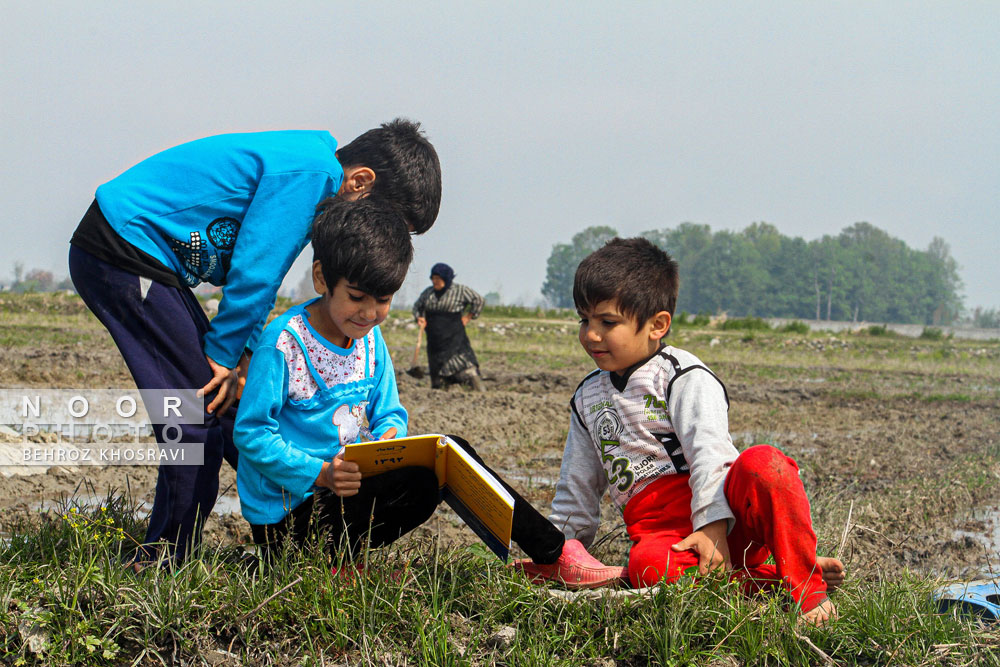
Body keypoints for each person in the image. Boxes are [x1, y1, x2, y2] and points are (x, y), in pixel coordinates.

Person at [68, 119, 442, 563]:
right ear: (361, 182)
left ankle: (292, 524)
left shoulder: (315, 167)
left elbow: (261, 276)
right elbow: (257, 272)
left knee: (224, 403)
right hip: (122, 248)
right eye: (388, 220)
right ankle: (164, 556)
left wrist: (242, 355)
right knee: (194, 405)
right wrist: (226, 355)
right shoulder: (311, 176)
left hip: (150, 261)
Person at [234, 201, 625, 588]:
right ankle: (321, 563)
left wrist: (389, 440)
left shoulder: (369, 340)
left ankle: (552, 554)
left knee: (444, 459)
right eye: (357, 298)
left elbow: (389, 412)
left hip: (345, 495)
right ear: (321, 279)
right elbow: (251, 434)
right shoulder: (284, 344)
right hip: (288, 523)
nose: (370, 314)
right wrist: (321, 473)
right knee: (431, 469)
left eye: (383, 301)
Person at [516, 237, 845, 625]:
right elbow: (577, 487)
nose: (591, 334)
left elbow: (711, 452)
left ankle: (806, 588)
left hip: (728, 518)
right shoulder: (587, 397)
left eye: (607, 322)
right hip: (666, 537)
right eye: (584, 320)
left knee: (765, 464)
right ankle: (773, 576)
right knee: (646, 565)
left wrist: (712, 529)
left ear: (657, 325)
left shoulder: (682, 376)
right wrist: (557, 553)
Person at [412, 263, 485, 390]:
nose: (435, 282)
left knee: (464, 363)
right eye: (433, 279)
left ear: (446, 278)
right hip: (435, 339)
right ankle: (440, 389)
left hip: (454, 336)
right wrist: (419, 317)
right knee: (437, 369)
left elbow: (478, 300)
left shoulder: (460, 291)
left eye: (438, 279)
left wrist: (468, 317)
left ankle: (476, 387)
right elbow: (417, 307)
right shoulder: (428, 293)